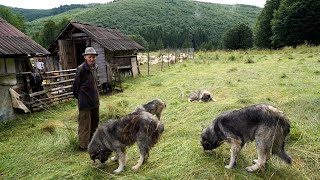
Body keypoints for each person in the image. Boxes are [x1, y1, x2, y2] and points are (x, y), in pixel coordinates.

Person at [72, 47, 100, 151]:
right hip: (85, 103)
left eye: (93, 57)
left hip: (94, 101)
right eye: (90, 57)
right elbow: (75, 86)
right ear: (85, 57)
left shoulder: (94, 68)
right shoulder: (81, 69)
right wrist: (79, 97)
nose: (92, 59)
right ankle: (83, 146)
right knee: (85, 125)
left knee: (94, 123)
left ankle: (92, 142)